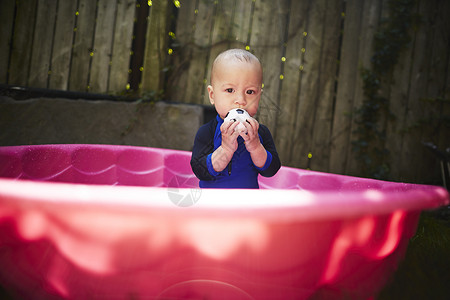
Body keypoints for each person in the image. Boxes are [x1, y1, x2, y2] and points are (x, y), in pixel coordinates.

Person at [190, 49, 281, 188]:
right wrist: (225, 149)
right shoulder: (206, 132)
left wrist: (256, 147)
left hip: (246, 206)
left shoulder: (260, 133)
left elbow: (271, 170)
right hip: (211, 205)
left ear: (259, 97)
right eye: (230, 90)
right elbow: (200, 171)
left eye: (250, 92)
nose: (241, 100)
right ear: (212, 95)